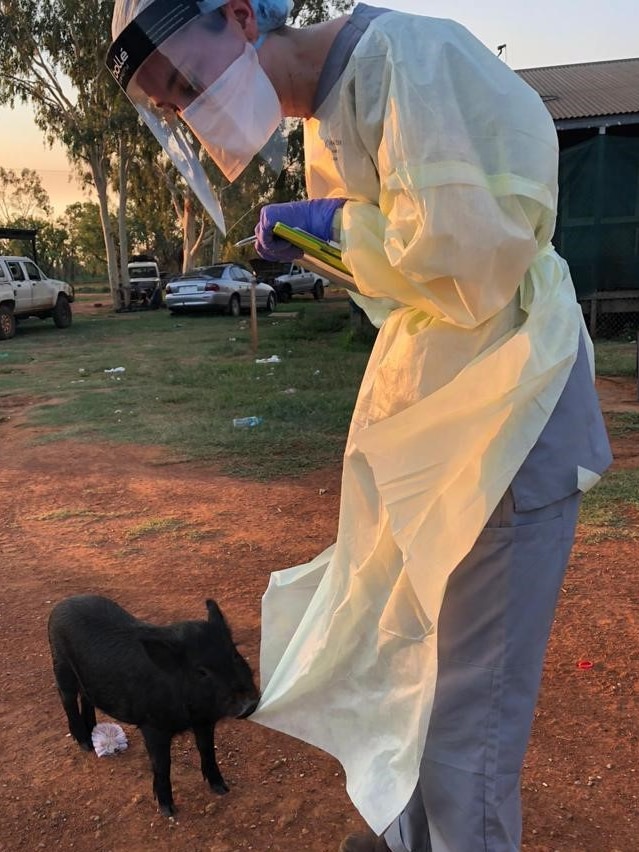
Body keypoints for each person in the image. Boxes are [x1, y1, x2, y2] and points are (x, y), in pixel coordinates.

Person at [107, 3, 612, 850]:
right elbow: (400, 288)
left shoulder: (411, 63)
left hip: (509, 423)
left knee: (465, 737)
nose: (193, 113)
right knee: (409, 681)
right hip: (435, 431)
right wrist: (327, 250)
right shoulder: (324, 125)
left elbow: (470, 264)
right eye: (173, 108)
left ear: (237, 14)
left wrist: (337, 228)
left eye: (189, 84)